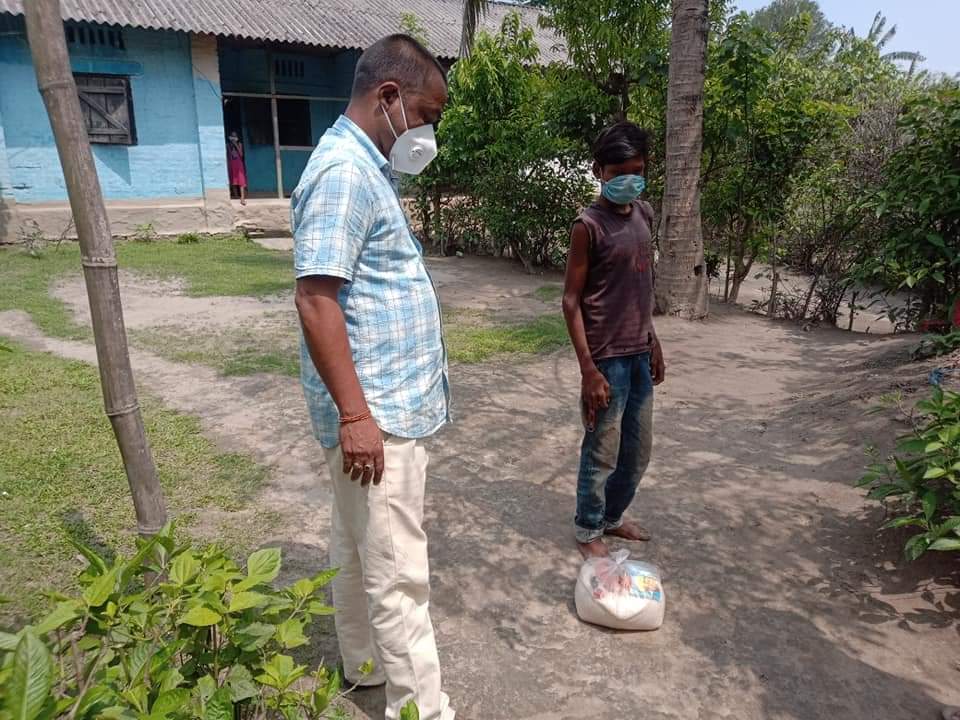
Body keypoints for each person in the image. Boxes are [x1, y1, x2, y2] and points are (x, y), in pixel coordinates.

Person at [291, 34, 453, 720]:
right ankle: (423, 710)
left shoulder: (366, 167)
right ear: (388, 97)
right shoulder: (345, 174)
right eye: (425, 114)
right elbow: (316, 298)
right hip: (376, 416)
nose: (427, 133)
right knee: (397, 577)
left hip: (379, 409)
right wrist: (357, 416)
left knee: (358, 552)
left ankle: (363, 667)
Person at [561, 120, 666, 559]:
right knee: (601, 449)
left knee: (637, 449)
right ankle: (588, 530)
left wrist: (653, 339)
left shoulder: (644, 213)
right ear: (598, 170)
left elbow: (640, 283)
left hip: (639, 353)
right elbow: (570, 301)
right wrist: (588, 370)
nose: (629, 179)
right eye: (618, 171)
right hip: (606, 360)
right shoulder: (588, 226)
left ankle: (613, 517)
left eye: (637, 169)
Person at [227, 131, 247, 205]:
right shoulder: (228, 145)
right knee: (233, 180)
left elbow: (241, 154)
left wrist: (236, 145)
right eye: (232, 136)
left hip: (239, 164)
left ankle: (242, 198)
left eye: (235, 137)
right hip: (232, 164)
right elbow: (228, 155)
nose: (233, 138)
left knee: (241, 180)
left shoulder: (239, 144)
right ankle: (235, 195)